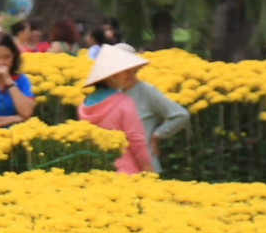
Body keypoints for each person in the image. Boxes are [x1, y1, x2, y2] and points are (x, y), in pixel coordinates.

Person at [83, 43, 186, 171]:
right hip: (113, 166)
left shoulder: (146, 91)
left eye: (130, 70)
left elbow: (180, 115)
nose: (128, 74)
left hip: (144, 167)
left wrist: (157, 135)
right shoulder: (109, 94)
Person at [77, 48, 152, 174]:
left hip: (95, 172)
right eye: (125, 71)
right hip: (126, 173)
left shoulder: (83, 104)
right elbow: (136, 140)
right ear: (110, 75)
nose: (130, 75)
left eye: (131, 71)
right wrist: (149, 169)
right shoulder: (124, 103)